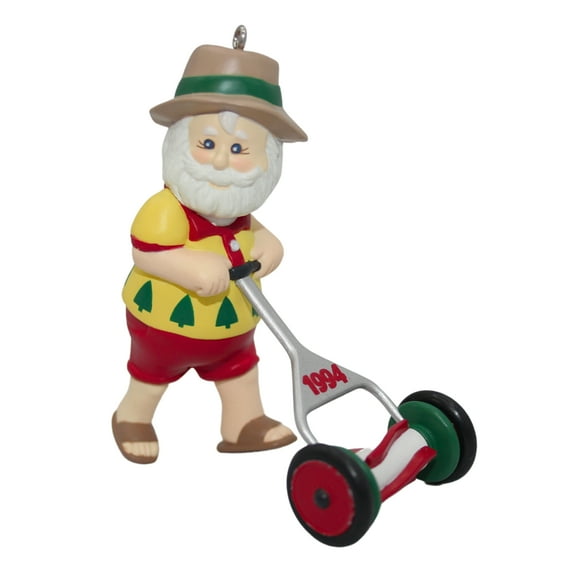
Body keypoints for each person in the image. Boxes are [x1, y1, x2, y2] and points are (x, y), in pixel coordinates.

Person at [112, 35, 307, 464]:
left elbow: (256, 233)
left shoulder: (239, 212)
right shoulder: (165, 209)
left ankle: (243, 423)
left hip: (234, 327)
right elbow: (147, 253)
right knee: (151, 374)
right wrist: (190, 267)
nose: (220, 162)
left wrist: (270, 246)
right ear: (179, 145)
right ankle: (133, 417)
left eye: (238, 150)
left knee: (241, 370)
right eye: (206, 145)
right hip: (164, 324)